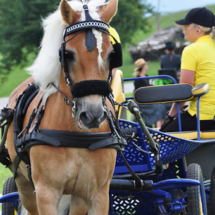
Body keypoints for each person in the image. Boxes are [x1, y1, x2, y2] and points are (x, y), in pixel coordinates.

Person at [160, 7, 215, 132]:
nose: (182, 29)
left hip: (202, 118)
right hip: (211, 116)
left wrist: (170, 116)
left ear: (198, 29)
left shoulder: (192, 50)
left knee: (160, 138)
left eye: (186, 25)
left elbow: (185, 89)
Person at [134, 58, 167, 128]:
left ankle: (161, 127)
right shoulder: (137, 80)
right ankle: (158, 128)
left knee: (162, 106)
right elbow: (139, 93)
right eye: (146, 64)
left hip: (148, 100)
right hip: (142, 103)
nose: (147, 66)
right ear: (143, 66)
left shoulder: (146, 76)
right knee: (159, 107)